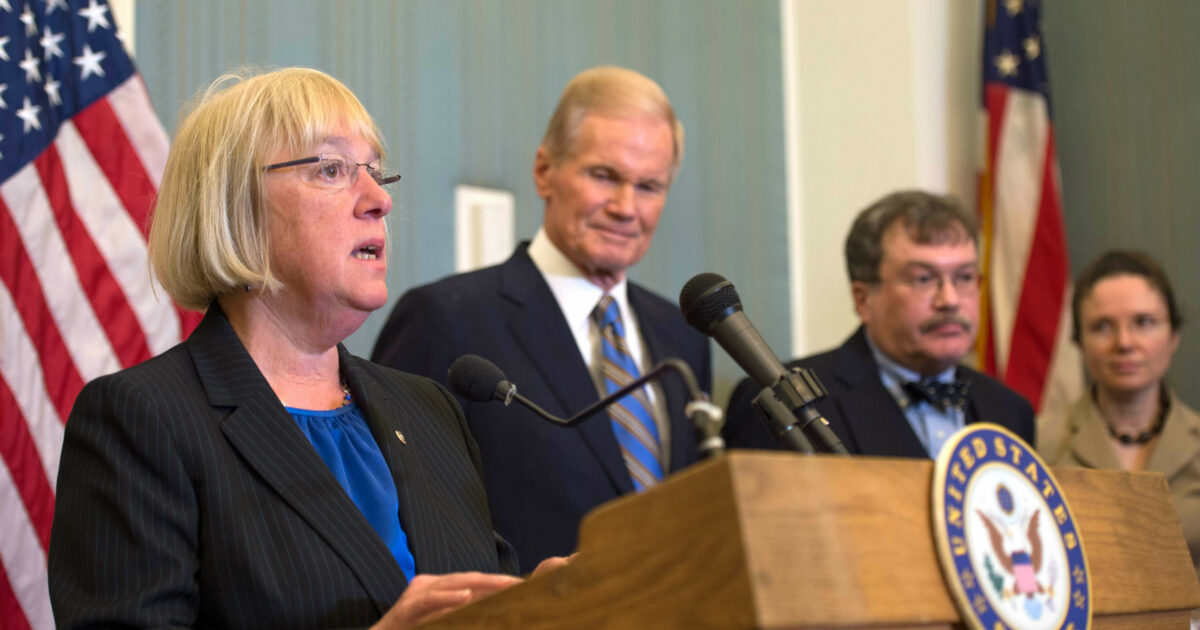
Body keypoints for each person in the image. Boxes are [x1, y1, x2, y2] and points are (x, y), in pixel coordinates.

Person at [47, 68, 557, 630]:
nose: (378, 200)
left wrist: (556, 604)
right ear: (235, 205)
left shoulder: (431, 410)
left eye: (376, 171)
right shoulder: (141, 421)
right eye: (331, 169)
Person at [371, 66, 711, 572]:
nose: (625, 207)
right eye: (604, 176)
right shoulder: (447, 320)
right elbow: (398, 513)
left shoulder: (682, 333)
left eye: (649, 187)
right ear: (544, 170)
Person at [723, 190, 1034, 457]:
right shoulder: (782, 403)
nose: (950, 299)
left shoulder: (1009, 410)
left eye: (964, 277)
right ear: (863, 299)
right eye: (923, 279)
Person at [1037, 250, 1199, 577]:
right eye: (1102, 327)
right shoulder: (1037, 442)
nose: (1124, 342)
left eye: (1144, 322)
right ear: (1079, 342)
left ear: (1174, 336)